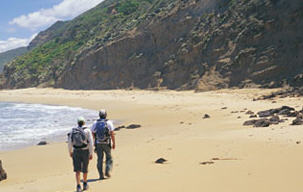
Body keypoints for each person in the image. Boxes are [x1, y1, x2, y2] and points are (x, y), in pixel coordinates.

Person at [68, 117, 93, 192]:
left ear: (77, 123)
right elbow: (91, 143)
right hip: (85, 151)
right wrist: (91, 153)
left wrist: (70, 152)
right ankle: (85, 183)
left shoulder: (73, 131)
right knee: (85, 168)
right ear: (84, 122)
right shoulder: (87, 130)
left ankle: (78, 186)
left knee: (77, 170)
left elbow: (70, 143)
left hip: (76, 151)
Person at [91, 109, 115, 180]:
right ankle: (107, 171)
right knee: (109, 158)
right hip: (106, 143)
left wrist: (94, 141)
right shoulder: (109, 123)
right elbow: (112, 134)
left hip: (98, 143)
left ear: (99, 115)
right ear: (105, 115)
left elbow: (92, 132)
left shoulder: (95, 123)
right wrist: (114, 143)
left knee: (99, 159)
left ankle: (101, 175)